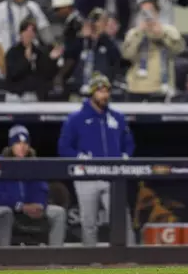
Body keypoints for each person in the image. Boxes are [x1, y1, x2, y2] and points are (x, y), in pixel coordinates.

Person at [57, 73, 136, 247]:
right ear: (92, 93)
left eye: (107, 91)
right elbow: (64, 147)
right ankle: (92, 261)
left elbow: (129, 143)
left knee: (121, 218)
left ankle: (129, 256)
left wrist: (125, 156)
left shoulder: (117, 117)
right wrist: (79, 158)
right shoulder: (76, 119)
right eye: (100, 91)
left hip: (112, 176)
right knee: (88, 222)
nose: (105, 95)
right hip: (87, 177)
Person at [0, 125, 66, 247]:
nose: (22, 147)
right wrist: (20, 206)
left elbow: (42, 189)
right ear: (11, 145)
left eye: (25, 143)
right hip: (10, 209)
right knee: (3, 212)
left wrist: (40, 205)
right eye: (18, 143)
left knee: (58, 213)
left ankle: (55, 256)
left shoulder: (34, 163)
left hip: (31, 210)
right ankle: (2, 257)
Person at [122, 0, 185, 98]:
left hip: (161, 87)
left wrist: (162, 35)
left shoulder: (169, 31)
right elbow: (127, 55)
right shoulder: (134, 33)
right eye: (144, 12)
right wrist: (139, 34)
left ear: (157, 13)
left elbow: (178, 50)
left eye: (149, 11)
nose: (147, 15)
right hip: (136, 87)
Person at [63, 8, 121, 96]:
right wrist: (81, 37)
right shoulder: (81, 41)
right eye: (95, 21)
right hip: (79, 88)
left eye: (101, 21)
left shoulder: (108, 42)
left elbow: (116, 59)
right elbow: (68, 55)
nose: (97, 24)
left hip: (101, 89)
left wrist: (103, 36)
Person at [5, 19, 62, 102]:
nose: (29, 34)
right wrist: (26, 60)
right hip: (16, 95)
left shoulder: (39, 52)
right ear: (21, 33)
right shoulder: (13, 52)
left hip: (33, 95)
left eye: (32, 32)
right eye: (26, 31)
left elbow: (46, 74)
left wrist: (52, 59)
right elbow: (13, 73)